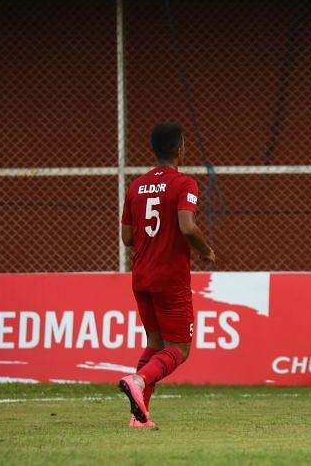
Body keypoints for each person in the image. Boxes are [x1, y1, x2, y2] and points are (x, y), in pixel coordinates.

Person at [118, 124, 215, 428]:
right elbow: (187, 226)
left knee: (156, 342)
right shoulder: (184, 183)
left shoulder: (135, 186)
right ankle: (138, 379)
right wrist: (205, 251)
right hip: (169, 277)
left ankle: (140, 415)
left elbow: (127, 238)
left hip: (141, 275)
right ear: (180, 149)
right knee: (180, 348)